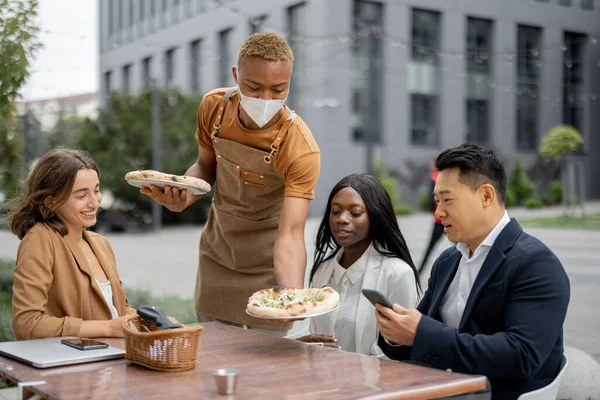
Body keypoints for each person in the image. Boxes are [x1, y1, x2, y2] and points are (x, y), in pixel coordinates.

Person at [141, 32, 320, 334]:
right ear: (236, 75)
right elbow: (204, 167)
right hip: (218, 256)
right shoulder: (214, 108)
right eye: (254, 87)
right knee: (213, 356)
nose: (266, 100)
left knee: (263, 367)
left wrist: (290, 296)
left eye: (279, 90)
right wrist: (186, 194)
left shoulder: (300, 146)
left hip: (268, 265)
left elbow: (290, 235)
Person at [375, 143, 570, 399]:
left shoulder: (536, 264)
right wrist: (396, 334)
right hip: (440, 388)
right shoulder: (447, 262)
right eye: (436, 201)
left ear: (486, 196)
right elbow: (421, 336)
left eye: (447, 200)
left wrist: (421, 332)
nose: (438, 212)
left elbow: (522, 355)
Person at [8, 148, 137, 340]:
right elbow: (27, 324)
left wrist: (153, 323)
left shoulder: (100, 243)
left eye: (96, 190)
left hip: (113, 360)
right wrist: (107, 329)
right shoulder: (40, 239)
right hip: (73, 365)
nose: (95, 203)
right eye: (81, 195)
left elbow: (120, 308)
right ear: (51, 201)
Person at [298, 174, 419, 355]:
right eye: (335, 211)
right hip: (323, 379)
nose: (342, 219)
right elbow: (314, 333)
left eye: (355, 213)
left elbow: (402, 351)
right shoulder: (322, 272)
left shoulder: (397, 273)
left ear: (375, 217)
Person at [418, 169, 445, 274]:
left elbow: (431, 198)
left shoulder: (435, 176)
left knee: (430, 247)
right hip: (450, 218)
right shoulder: (450, 176)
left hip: (439, 219)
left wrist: (433, 210)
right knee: (461, 248)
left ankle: (419, 272)